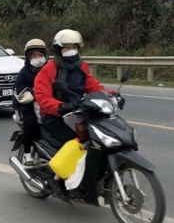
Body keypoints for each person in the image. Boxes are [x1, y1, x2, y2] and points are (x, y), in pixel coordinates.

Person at [34, 29, 116, 205]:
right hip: (54, 116)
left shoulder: (81, 66)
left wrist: (111, 95)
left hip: (79, 113)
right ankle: (57, 181)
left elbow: (93, 87)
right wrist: (60, 106)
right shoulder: (48, 70)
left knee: (98, 140)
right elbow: (42, 97)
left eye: (74, 47)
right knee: (76, 144)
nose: (71, 50)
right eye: (66, 48)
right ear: (58, 50)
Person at [12, 39, 49, 169]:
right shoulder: (24, 73)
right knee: (30, 123)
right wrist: (37, 92)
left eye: (40, 55)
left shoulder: (50, 70)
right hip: (26, 104)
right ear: (28, 57)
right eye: (34, 56)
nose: (38, 58)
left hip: (46, 102)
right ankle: (27, 153)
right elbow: (20, 93)